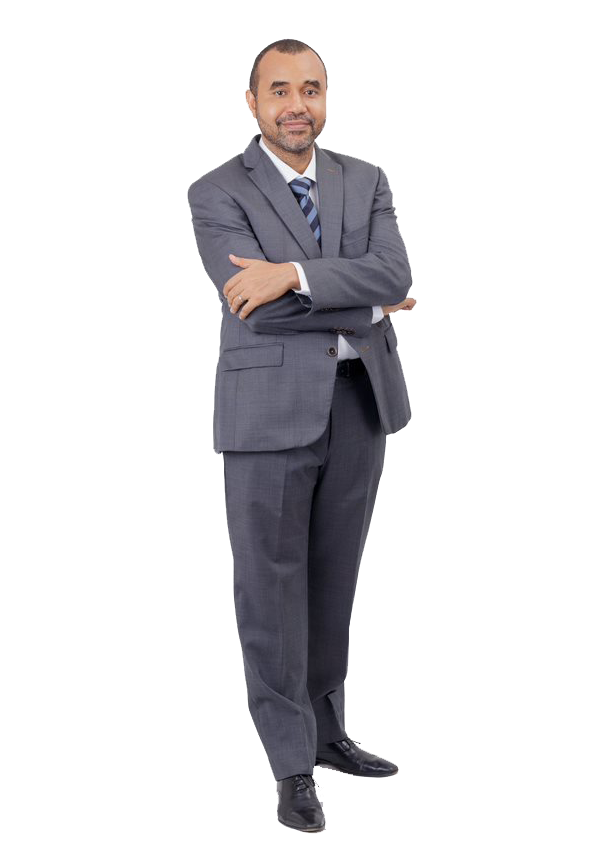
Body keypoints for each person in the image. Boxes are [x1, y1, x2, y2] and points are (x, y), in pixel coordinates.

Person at [187, 38, 415, 833]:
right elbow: (255, 308)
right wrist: (370, 306)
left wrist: (291, 272)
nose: (297, 104)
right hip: (267, 413)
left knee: (331, 580)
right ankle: (288, 764)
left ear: (324, 98)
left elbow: (394, 271)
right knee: (269, 592)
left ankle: (326, 733)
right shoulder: (216, 189)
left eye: (310, 89)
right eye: (279, 89)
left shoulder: (366, 178)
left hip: (360, 403)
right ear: (252, 102)